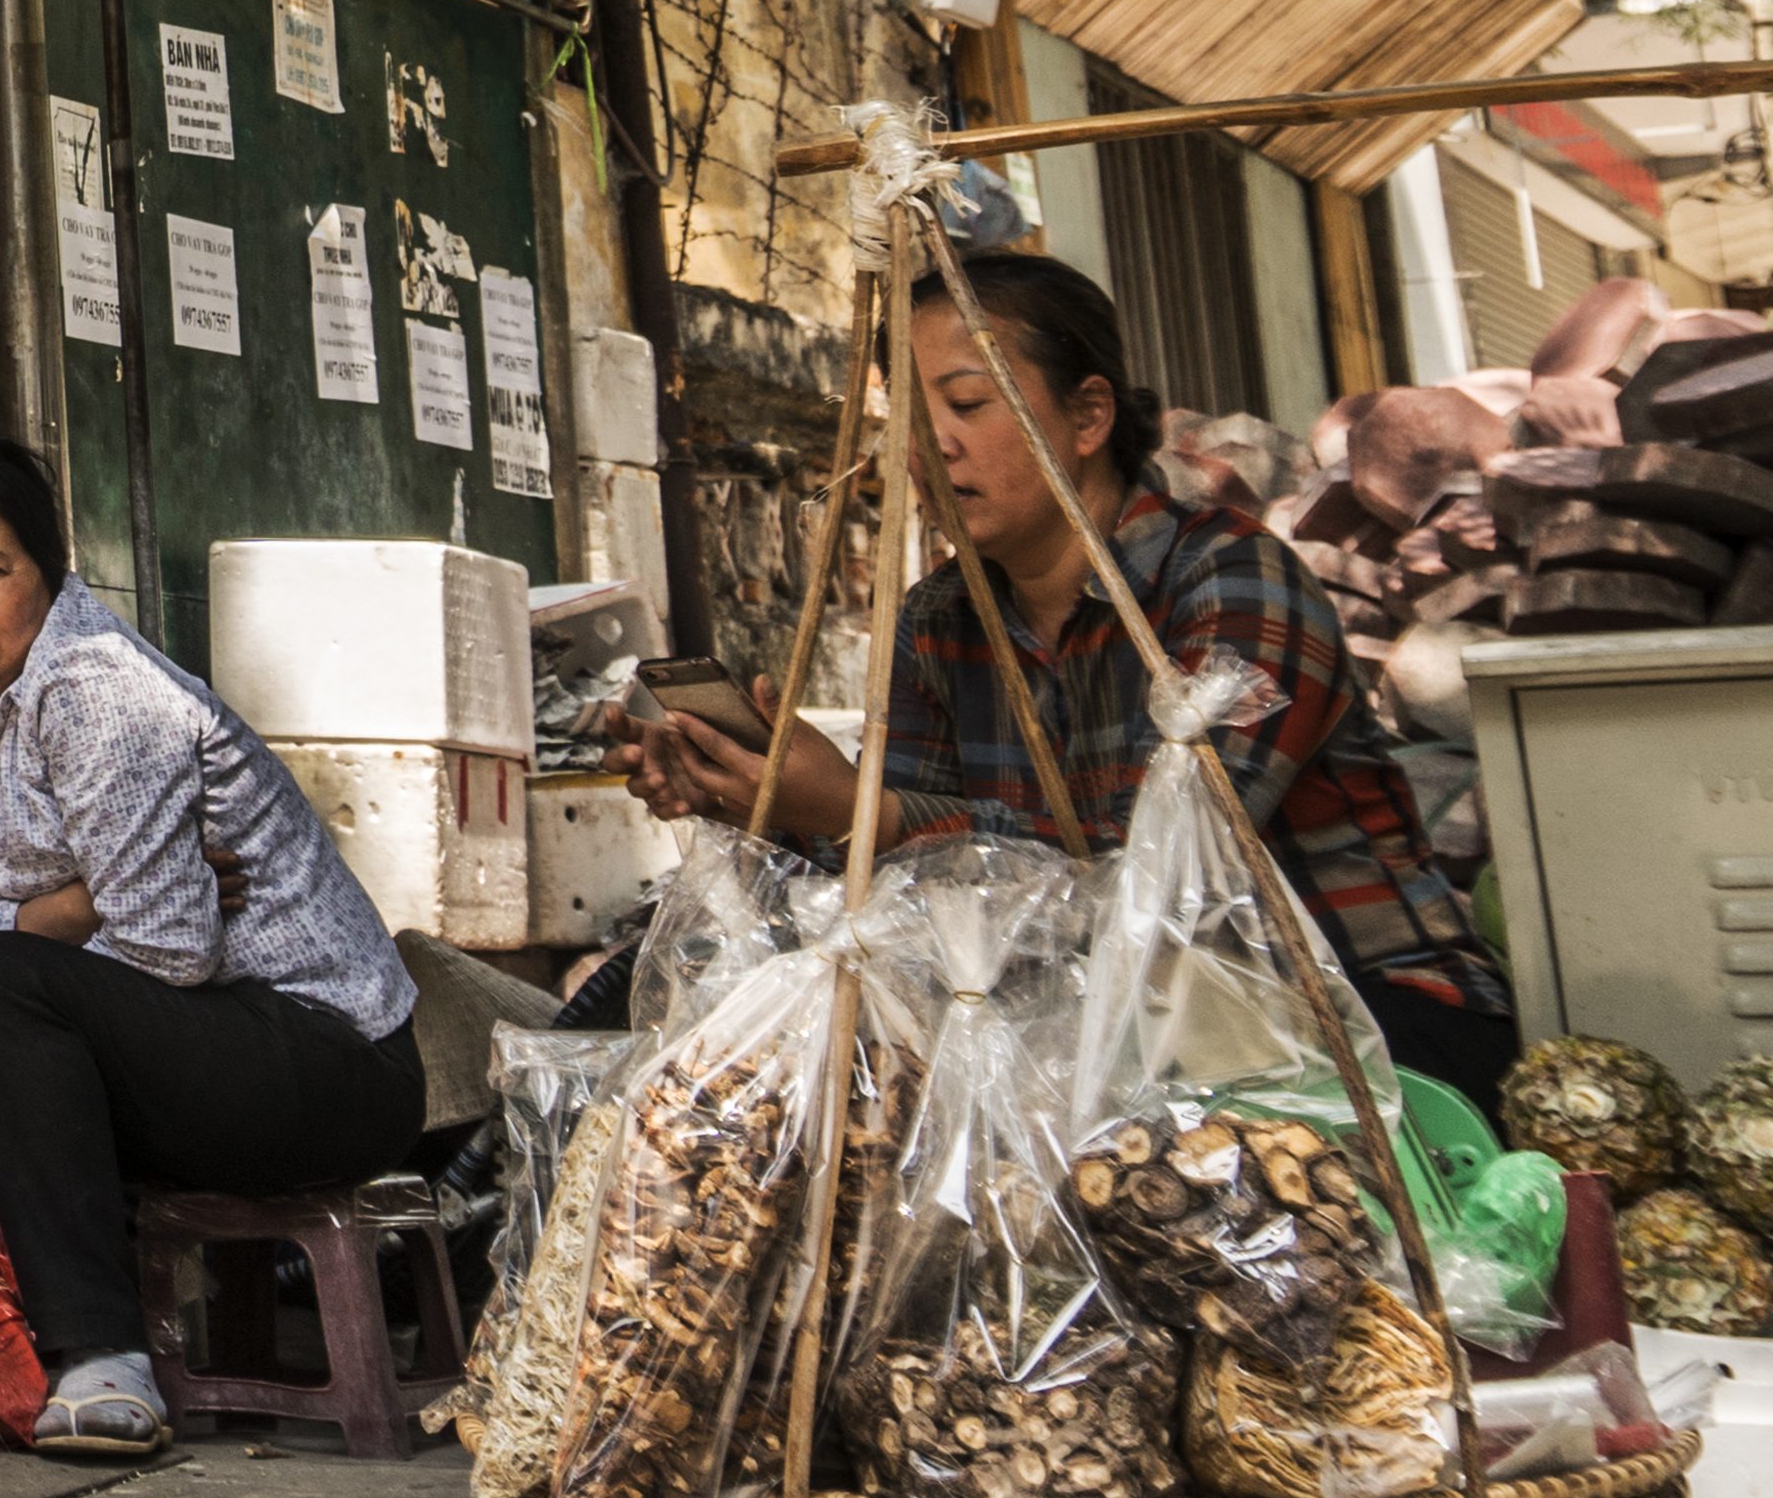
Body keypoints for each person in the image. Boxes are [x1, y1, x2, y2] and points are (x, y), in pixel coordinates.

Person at [625, 243, 1512, 1107]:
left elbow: (1152, 875)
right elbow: (911, 890)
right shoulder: (937, 619)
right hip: (1118, 1034)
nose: (929, 448)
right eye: (908, 418)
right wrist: (762, 799)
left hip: (1364, 1020)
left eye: (966, 404)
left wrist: (861, 810)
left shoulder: (1230, 577)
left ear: (1088, 417)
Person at [0, 433, 425, 1459]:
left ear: (47, 571)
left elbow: (168, 951)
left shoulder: (97, 688)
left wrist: (28, 945)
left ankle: (99, 1357)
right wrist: (73, 907)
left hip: (320, 1062)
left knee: (3, 986)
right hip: (157, 1032)